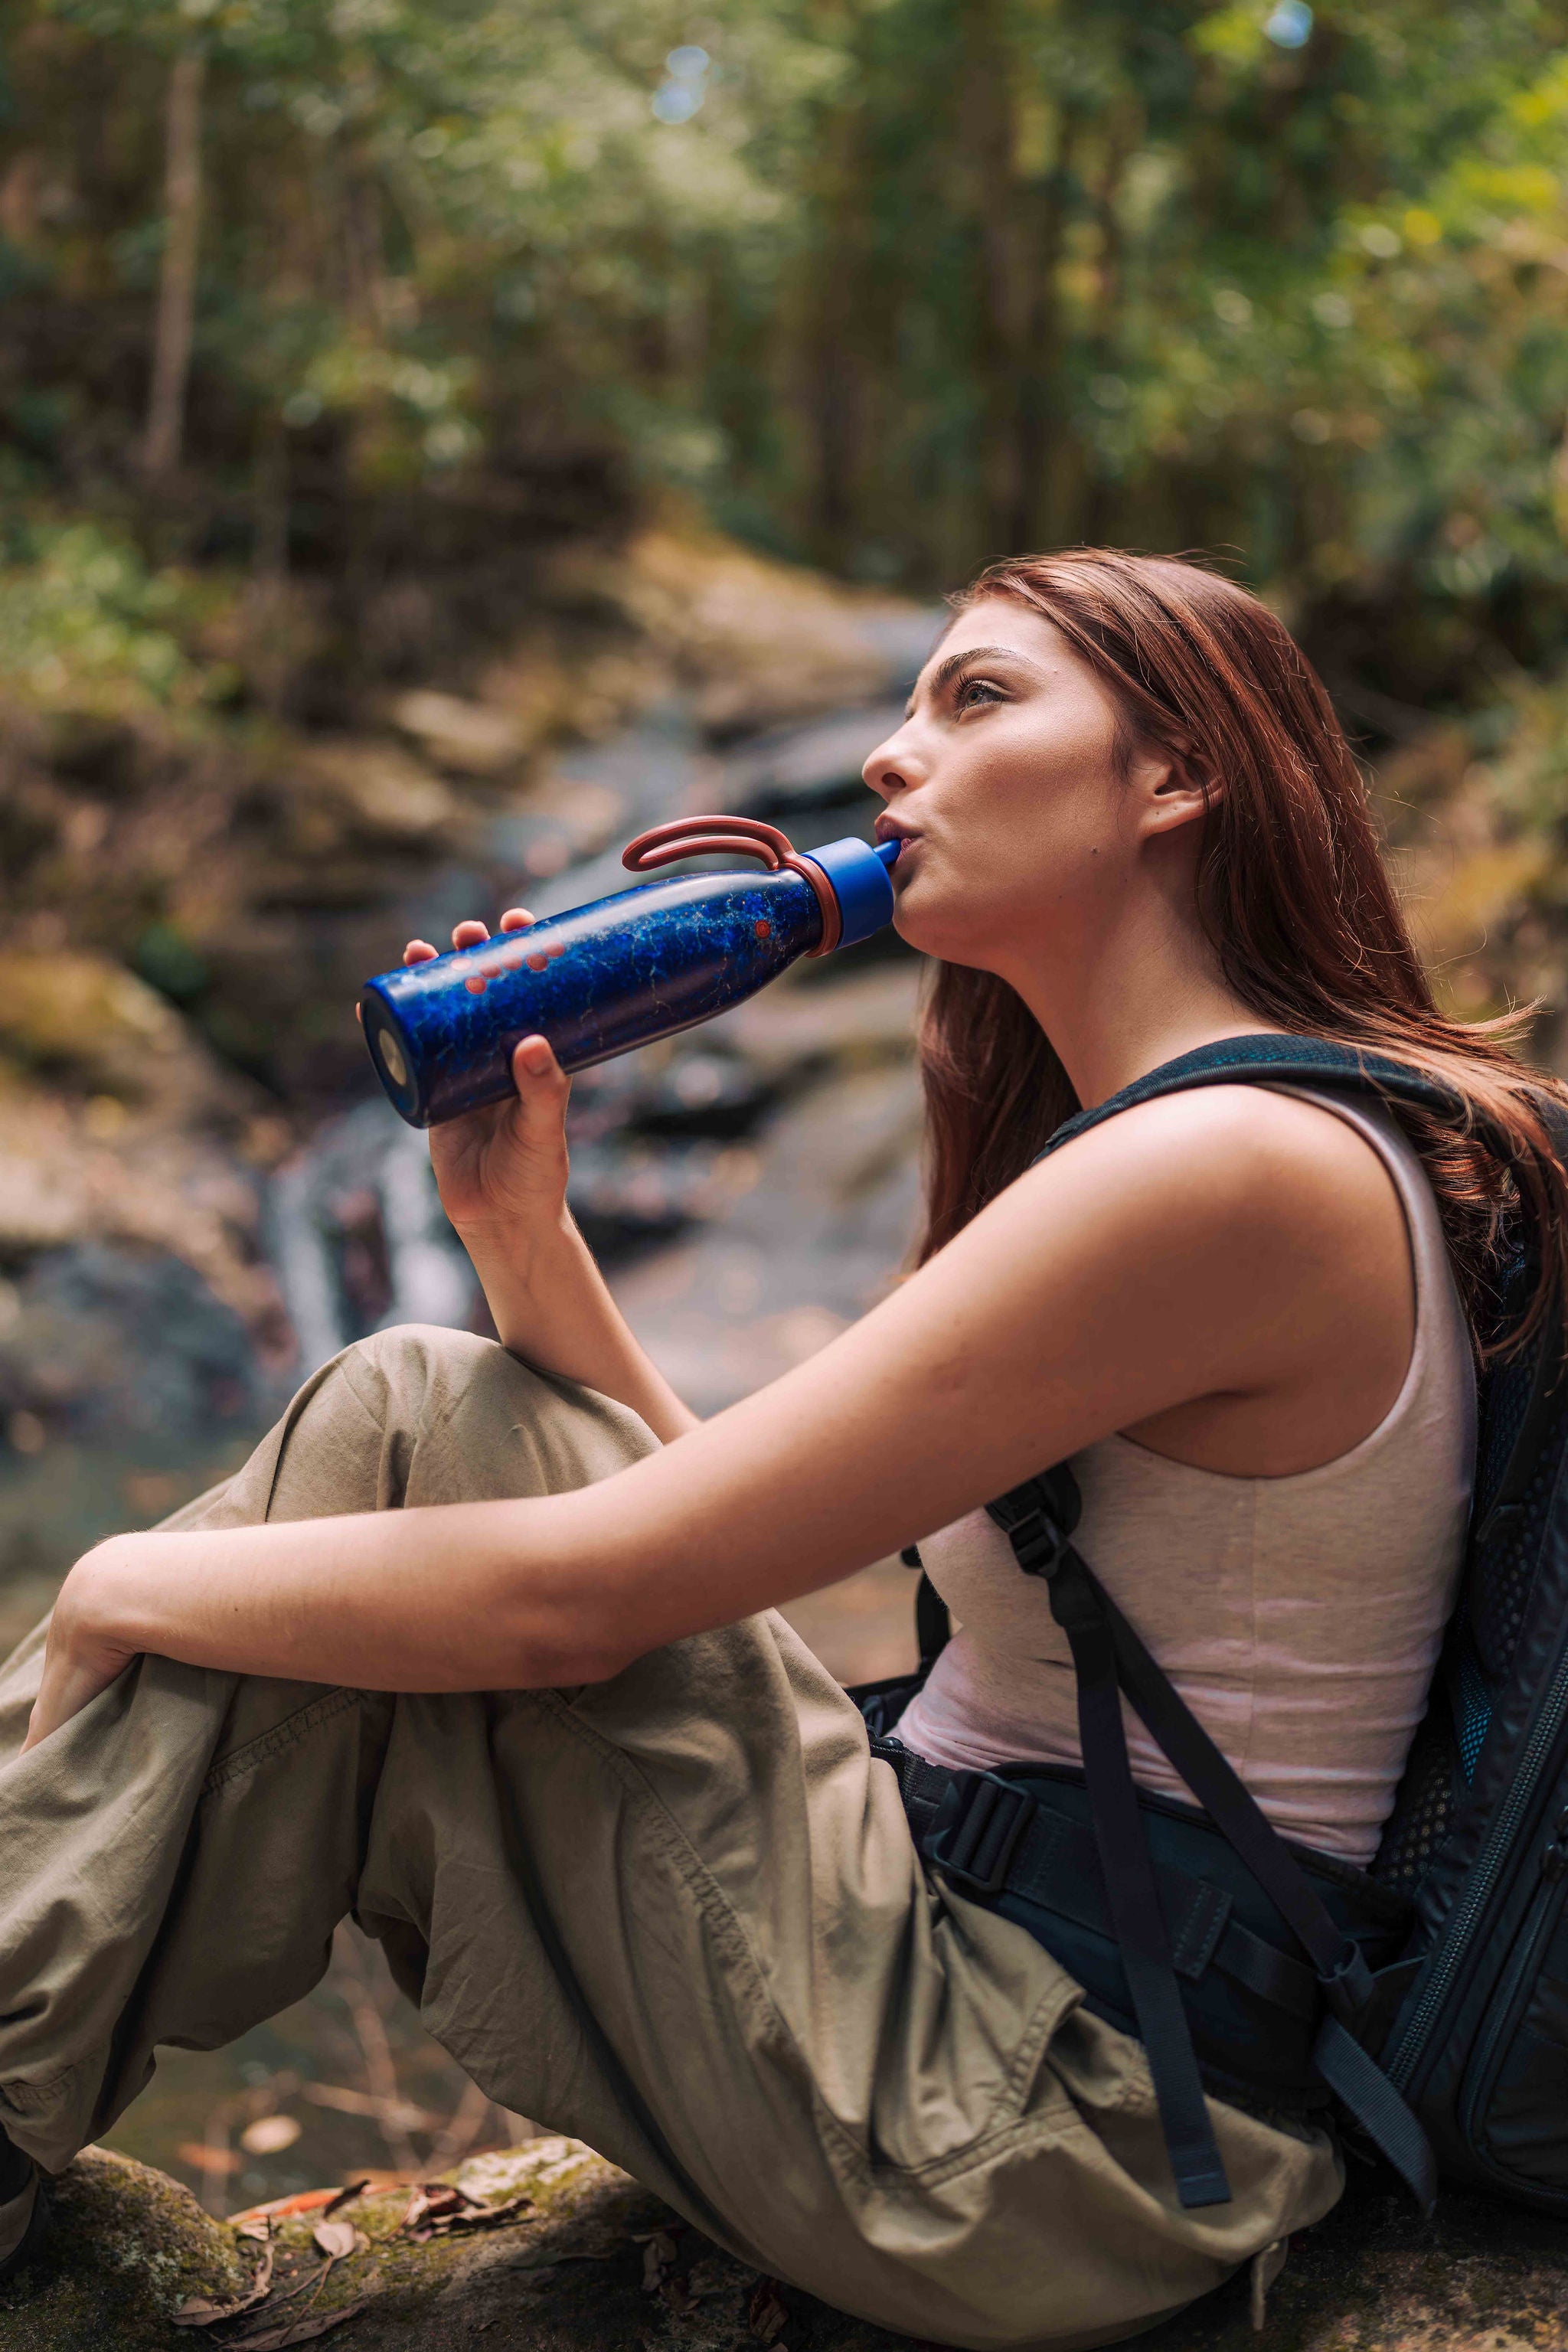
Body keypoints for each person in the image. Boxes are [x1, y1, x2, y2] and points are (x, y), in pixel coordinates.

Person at [2, 550, 1561, 2347]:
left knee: (405, 1413)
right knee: (434, 1406)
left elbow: (590, 1598)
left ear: (1174, 775)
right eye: (905, 704)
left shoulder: (1226, 1170)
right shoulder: (1214, 1140)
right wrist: (522, 1236)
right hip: (983, 2010)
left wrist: (121, 1578)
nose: (893, 757)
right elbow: (718, 1552)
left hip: (1060, 2130)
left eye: (976, 698)